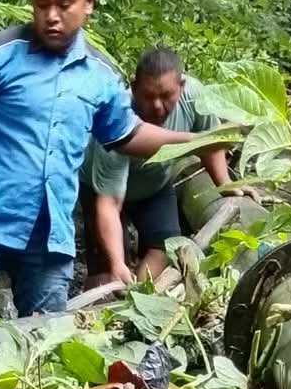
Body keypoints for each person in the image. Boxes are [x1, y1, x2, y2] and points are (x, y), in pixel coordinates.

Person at [0, 0, 209, 327]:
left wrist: (198, 140)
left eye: (64, 4)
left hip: (50, 238)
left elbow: (129, 134)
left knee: (42, 345)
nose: (51, 16)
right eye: (42, 4)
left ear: (88, 3)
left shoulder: (101, 76)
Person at [84, 45, 231, 283]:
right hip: (101, 189)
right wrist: (117, 263)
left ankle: (138, 299)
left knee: (164, 248)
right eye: (149, 96)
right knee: (106, 270)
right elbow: (109, 204)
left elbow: (210, 141)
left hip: (155, 185)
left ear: (181, 87)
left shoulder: (194, 96)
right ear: (134, 88)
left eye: (166, 96)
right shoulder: (116, 118)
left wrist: (225, 185)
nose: (157, 107)